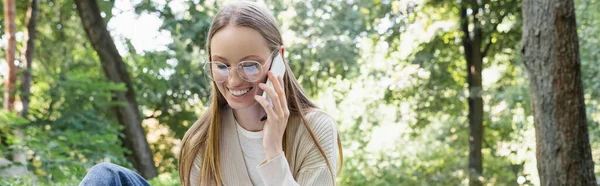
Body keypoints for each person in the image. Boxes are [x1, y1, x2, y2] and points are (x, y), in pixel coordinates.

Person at [80, 1, 342, 186]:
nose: (234, 79)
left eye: (249, 65)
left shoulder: (314, 130)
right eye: (222, 65)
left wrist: (273, 149)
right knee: (106, 177)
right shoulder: (201, 139)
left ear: (278, 60)